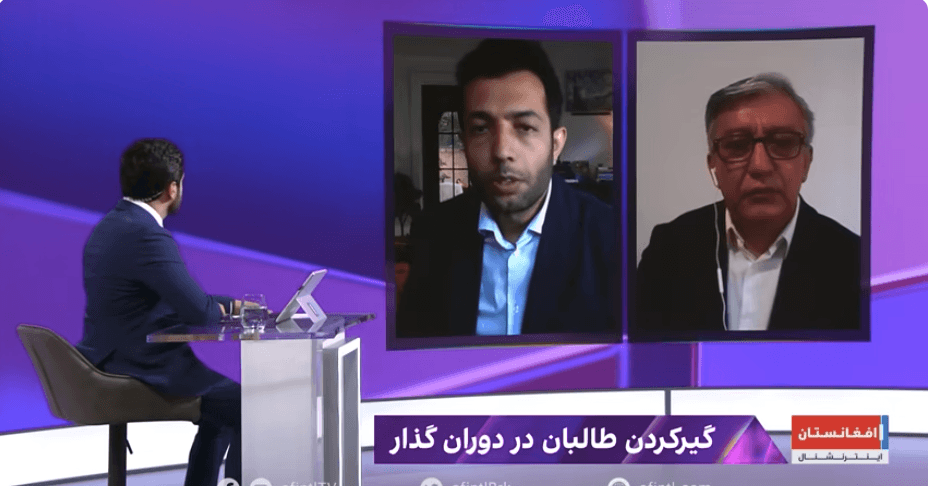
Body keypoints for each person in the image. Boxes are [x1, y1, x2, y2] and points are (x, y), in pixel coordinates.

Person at [397, 39, 616, 337]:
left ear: (555, 144)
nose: (501, 151)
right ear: (465, 142)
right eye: (481, 128)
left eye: (524, 127)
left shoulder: (610, 237)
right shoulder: (433, 232)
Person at [635, 73, 861, 335]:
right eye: (736, 145)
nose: (760, 166)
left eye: (783, 142)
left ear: (806, 163)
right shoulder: (669, 248)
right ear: (713, 165)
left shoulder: (856, 262)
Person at [76, 138, 242, 486]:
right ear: (172, 188)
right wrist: (221, 308)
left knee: (225, 405)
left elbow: (172, 300)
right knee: (243, 405)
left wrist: (229, 305)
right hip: (137, 368)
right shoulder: (146, 236)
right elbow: (200, 314)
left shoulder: (112, 225)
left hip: (102, 359)